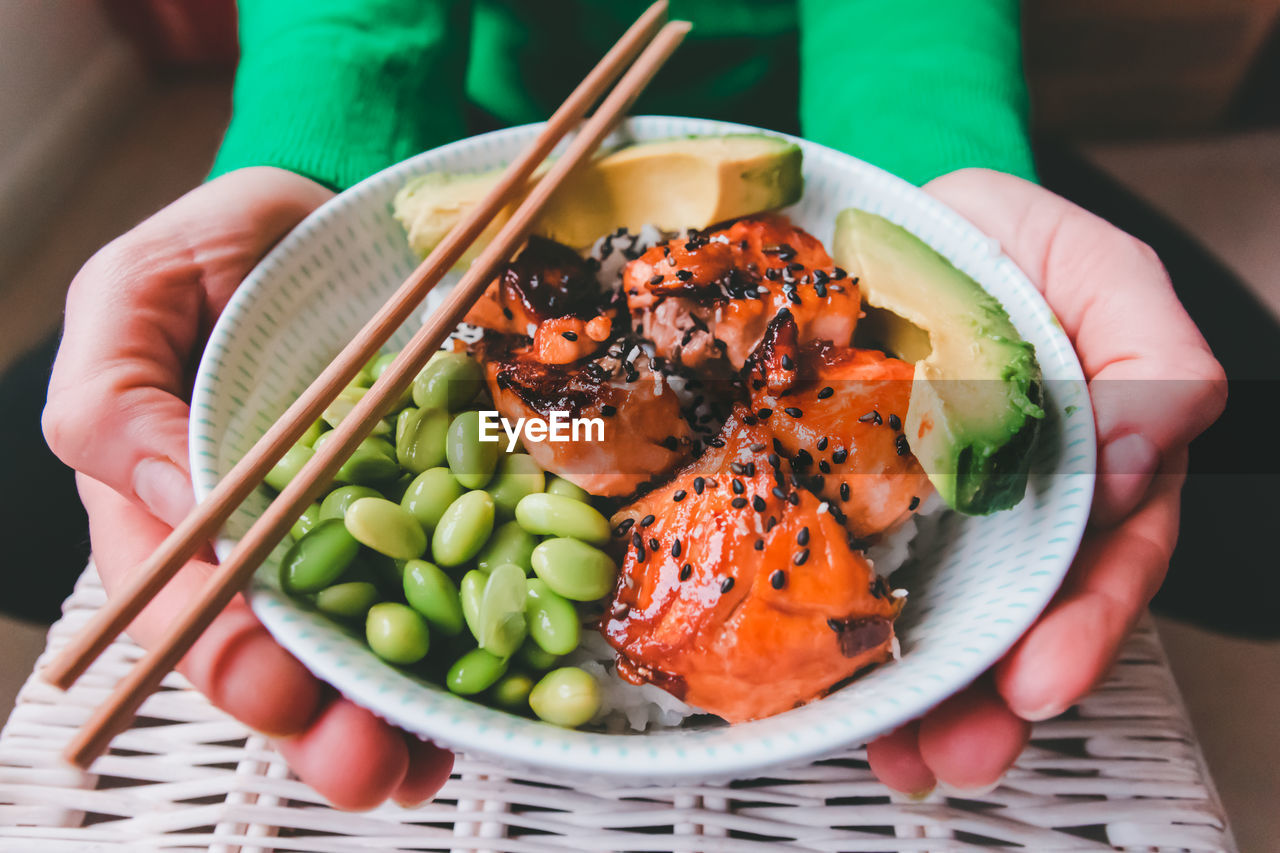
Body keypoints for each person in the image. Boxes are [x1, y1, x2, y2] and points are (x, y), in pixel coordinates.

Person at [41, 0, 1226, 808]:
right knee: (33, 486)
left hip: (830, 142)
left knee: (1236, 518)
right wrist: (317, 155)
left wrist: (940, 170)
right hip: (482, 155)